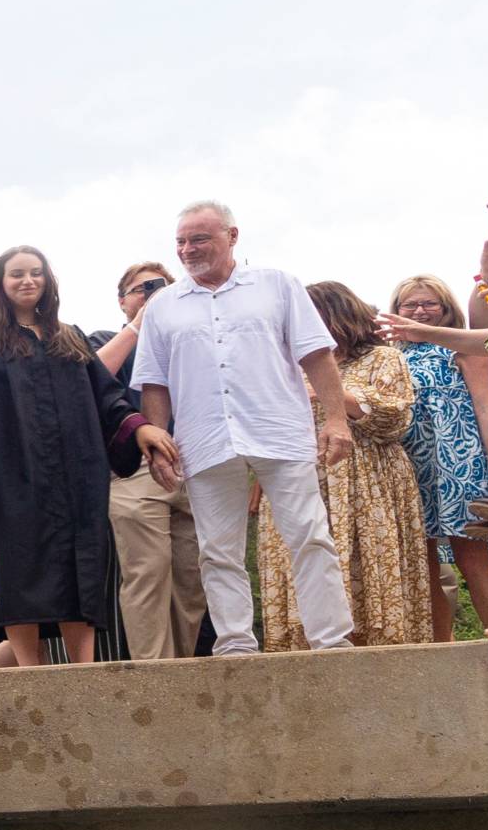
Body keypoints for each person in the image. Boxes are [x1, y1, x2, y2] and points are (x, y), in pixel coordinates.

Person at [133, 202, 356, 656]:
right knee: (216, 550)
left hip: (279, 429)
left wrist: (336, 419)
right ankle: (235, 646)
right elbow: (154, 382)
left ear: (232, 236)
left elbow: (316, 355)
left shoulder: (278, 286)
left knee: (310, 536)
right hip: (204, 439)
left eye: (199, 239)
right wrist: (158, 441)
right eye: (181, 241)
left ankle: (332, 642)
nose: (188, 249)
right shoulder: (163, 306)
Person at [0, 249, 178, 665]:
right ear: (0, 283)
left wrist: (139, 426)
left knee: (79, 569)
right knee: (19, 568)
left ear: (48, 281)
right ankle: (32, 671)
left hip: (77, 475)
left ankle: (81, 669)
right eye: (16, 274)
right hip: (11, 474)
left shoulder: (70, 338)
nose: (27, 281)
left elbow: (106, 398)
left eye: (36, 273)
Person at [255, 283, 431, 649]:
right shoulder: (285, 366)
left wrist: (329, 390)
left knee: (369, 575)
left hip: (367, 482)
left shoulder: (383, 358)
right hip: (300, 482)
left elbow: (394, 420)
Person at [91, 261, 206, 660]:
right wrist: (140, 322)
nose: (152, 294)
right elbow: (91, 377)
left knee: (192, 581)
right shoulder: (107, 338)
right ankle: (155, 677)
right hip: (134, 469)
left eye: (160, 288)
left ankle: (183, 673)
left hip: (194, 466)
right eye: (141, 289)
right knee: (148, 576)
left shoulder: (190, 338)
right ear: (122, 301)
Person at [379, 270, 488, 639]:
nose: (420, 310)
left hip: (459, 462)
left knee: (472, 552)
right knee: (421, 560)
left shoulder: (464, 347)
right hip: (409, 464)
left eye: (429, 302)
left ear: (446, 308)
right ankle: (438, 650)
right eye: (410, 304)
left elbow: (484, 405)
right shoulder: (387, 356)